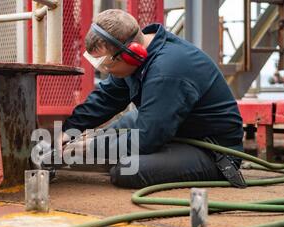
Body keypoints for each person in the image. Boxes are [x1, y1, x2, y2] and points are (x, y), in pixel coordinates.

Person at [58, 9, 244, 189]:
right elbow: (107, 97)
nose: (104, 71)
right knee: (119, 129)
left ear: (132, 53)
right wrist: (70, 130)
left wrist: (93, 147)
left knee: (128, 170)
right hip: (176, 131)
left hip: (212, 151)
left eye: (105, 64)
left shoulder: (166, 71)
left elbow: (147, 138)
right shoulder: (135, 57)